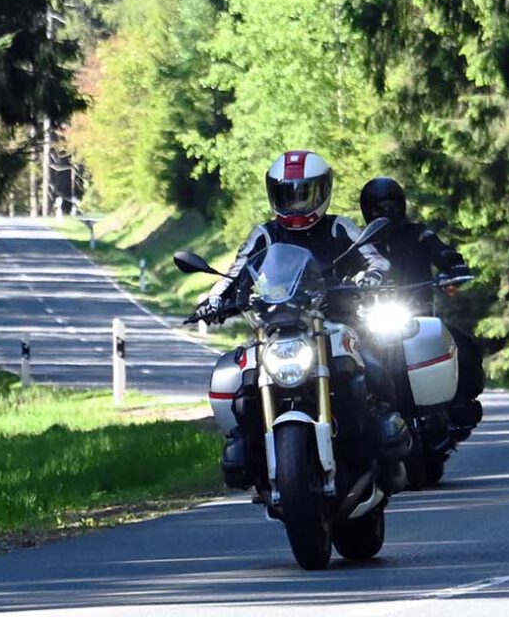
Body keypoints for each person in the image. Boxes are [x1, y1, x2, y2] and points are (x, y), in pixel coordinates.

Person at [197, 150, 414, 488]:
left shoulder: (339, 227)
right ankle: (246, 451)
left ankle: (387, 438)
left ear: (322, 190)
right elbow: (236, 273)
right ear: (274, 194)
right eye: (288, 194)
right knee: (243, 384)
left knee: (372, 365)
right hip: (276, 328)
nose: (296, 204)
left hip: (334, 322)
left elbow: (374, 260)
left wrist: (371, 278)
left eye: (305, 194)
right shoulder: (265, 234)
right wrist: (213, 299)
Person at [357, 176, 487, 425]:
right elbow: (340, 266)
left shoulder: (417, 234)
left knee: (463, 346)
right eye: (378, 209)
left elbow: (440, 250)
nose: (386, 213)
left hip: (418, 314)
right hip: (372, 319)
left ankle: (458, 407)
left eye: (391, 207)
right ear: (367, 211)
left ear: (401, 207)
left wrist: (453, 266)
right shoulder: (361, 242)